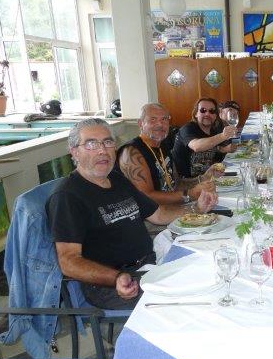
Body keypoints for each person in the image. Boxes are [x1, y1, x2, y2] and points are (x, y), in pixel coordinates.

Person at [48, 118, 218, 309]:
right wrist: (116, 277)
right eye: (91, 144)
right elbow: (68, 262)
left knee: (213, 265)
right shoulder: (67, 196)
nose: (102, 150)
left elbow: (158, 214)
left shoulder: (117, 179)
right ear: (74, 152)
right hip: (114, 283)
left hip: (149, 264)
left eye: (107, 142)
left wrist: (196, 209)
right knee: (198, 298)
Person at [118, 103, 218, 205]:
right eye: (153, 119)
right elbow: (145, 197)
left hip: (171, 206)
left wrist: (203, 178)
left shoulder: (163, 146)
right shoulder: (131, 153)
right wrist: (189, 195)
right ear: (140, 124)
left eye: (164, 119)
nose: (160, 124)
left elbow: (176, 184)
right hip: (152, 213)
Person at [172, 97, 238, 178]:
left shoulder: (214, 130)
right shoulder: (187, 129)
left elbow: (214, 153)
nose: (207, 114)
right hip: (188, 182)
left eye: (212, 111)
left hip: (209, 178)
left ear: (216, 115)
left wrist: (223, 149)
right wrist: (223, 136)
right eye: (203, 110)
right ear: (196, 114)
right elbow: (197, 146)